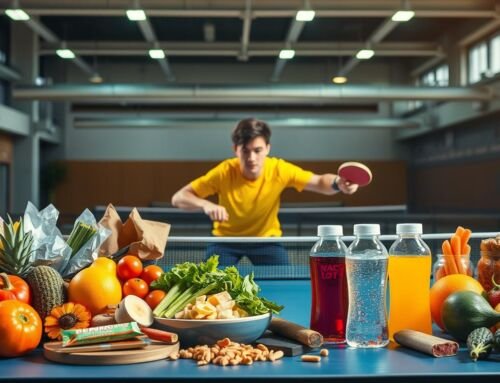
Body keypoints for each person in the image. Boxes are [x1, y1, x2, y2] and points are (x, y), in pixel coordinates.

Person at [171, 118, 360, 265]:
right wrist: (205, 204)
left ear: (268, 148)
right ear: (235, 150)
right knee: (207, 286)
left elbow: (319, 182)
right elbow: (178, 198)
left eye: (258, 150)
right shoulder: (223, 172)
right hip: (225, 241)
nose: (252, 157)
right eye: (245, 151)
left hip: (266, 240)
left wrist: (337, 183)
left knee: (286, 283)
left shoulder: (278, 169)